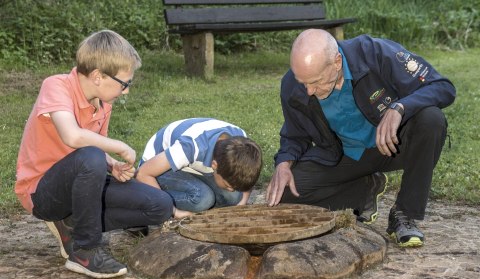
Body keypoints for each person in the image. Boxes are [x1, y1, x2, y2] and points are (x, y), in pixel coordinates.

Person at [15, 30, 187, 279]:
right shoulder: (56, 85)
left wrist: (112, 165)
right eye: (124, 83)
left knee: (161, 206)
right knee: (92, 157)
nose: (126, 91)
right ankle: (85, 251)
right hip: (43, 193)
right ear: (97, 76)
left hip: (81, 176)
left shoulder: (103, 103)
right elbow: (73, 137)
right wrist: (116, 146)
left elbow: (91, 151)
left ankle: (75, 223)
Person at [266, 29, 456, 247]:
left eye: (316, 81)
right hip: (345, 156)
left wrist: (400, 108)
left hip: (394, 145)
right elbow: (295, 133)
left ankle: (404, 214)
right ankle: (363, 190)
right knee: (285, 194)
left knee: (431, 119)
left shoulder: (375, 53)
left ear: (336, 62)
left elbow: (442, 87)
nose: (309, 91)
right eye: (303, 82)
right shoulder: (292, 85)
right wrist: (283, 164)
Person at [136, 118, 263, 212]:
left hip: (189, 166)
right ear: (215, 165)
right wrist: (174, 212)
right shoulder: (191, 147)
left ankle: (205, 209)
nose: (232, 188)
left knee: (234, 197)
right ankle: (143, 201)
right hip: (155, 168)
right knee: (203, 199)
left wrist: (243, 202)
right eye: (229, 185)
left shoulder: (243, 145)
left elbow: (247, 179)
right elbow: (143, 173)